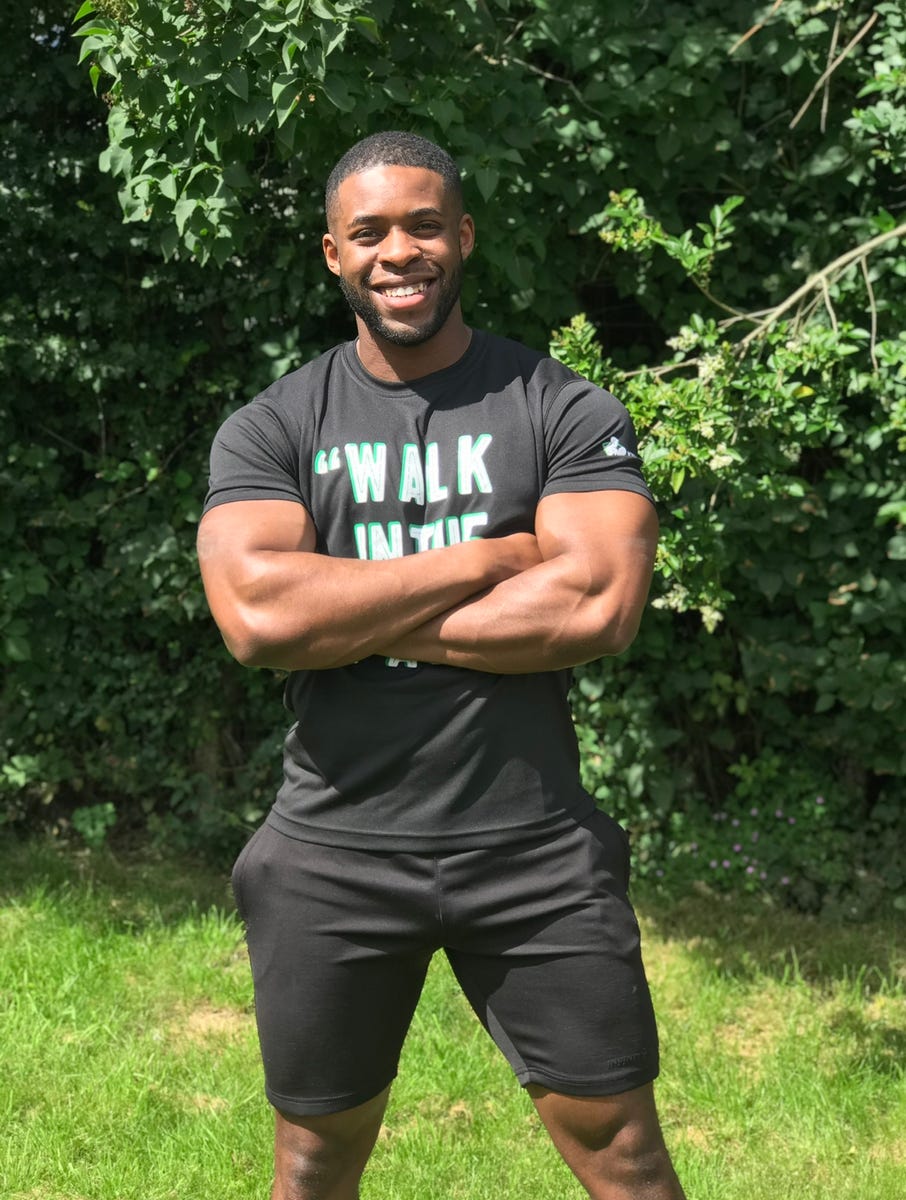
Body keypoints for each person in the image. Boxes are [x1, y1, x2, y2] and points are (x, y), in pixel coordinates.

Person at [197, 130, 685, 1200]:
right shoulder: (274, 426)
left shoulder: (561, 407)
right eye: (368, 232)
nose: (398, 252)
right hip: (331, 849)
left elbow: (597, 603)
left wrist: (348, 610)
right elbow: (259, 617)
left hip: (534, 847)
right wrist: (486, 560)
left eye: (423, 225)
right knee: (314, 1159)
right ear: (334, 253)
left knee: (626, 1155)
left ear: (462, 235)